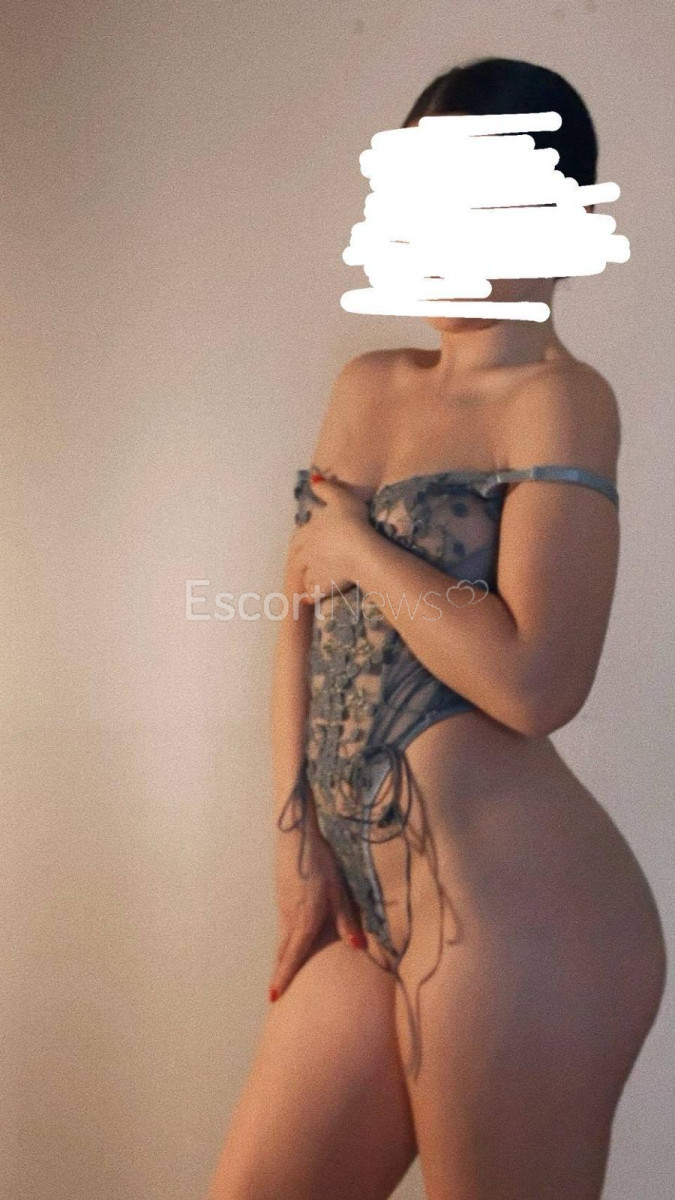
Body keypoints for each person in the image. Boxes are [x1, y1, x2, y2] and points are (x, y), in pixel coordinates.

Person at [205, 57, 667, 1200]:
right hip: (363, 906)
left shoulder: (561, 402)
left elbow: (536, 680)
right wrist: (294, 840)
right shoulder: (369, 386)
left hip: (522, 920)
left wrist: (364, 547)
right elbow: (299, 619)